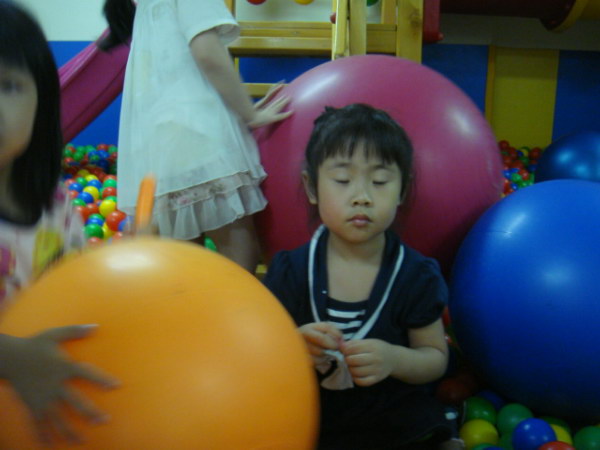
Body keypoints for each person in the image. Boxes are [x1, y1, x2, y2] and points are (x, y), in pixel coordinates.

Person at [263, 104, 463, 449]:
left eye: (380, 181)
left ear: (402, 190)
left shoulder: (416, 275)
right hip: (311, 415)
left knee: (425, 426)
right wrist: (294, 346)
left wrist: (394, 359)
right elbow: (262, 351)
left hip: (391, 418)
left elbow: (434, 357)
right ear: (312, 187)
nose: (362, 197)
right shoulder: (290, 271)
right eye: (343, 180)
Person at [0, 0, 119, 443]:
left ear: (42, 102)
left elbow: (80, 286)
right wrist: (12, 358)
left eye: (9, 85)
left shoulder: (55, 204)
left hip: (42, 417)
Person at [100, 0, 292, 273]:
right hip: (199, 140)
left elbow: (175, 72)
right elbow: (207, 54)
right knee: (238, 264)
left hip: (162, 150)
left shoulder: (146, 6)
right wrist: (250, 114)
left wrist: (239, 112)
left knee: (183, 272)